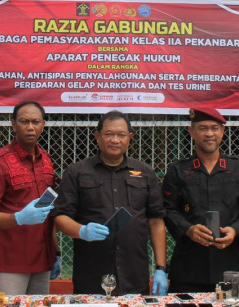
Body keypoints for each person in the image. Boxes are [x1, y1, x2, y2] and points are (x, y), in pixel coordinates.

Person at [53, 110, 168, 295]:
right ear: (97, 136)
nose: (115, 140)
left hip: (134, 275)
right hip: (90, 274)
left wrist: (161, 269)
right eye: (109, 134)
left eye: (121, 135)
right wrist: (82, 231)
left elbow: (156, 221)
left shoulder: (145, 172)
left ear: (130, 137)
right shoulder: (77, 172)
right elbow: (60, 217)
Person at [163, 107, 239, 293]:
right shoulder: (178, 170)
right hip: (187, 267)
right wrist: (188, 229)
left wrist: (236, 230)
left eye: (215, 128)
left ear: (222, 132)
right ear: (191, 131)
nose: (209, 133)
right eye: (202, 128)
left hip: (228, 264)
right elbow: (167, 209)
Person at [0, 101, 59, 295]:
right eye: (24, 121)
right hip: (9, 261)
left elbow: (48, 212)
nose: (30, 127)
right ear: (13, 124)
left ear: (43, 125)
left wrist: (56, 252)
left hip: (42, 259)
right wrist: (18, 218)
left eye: (35, 122)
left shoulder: (46, 160)